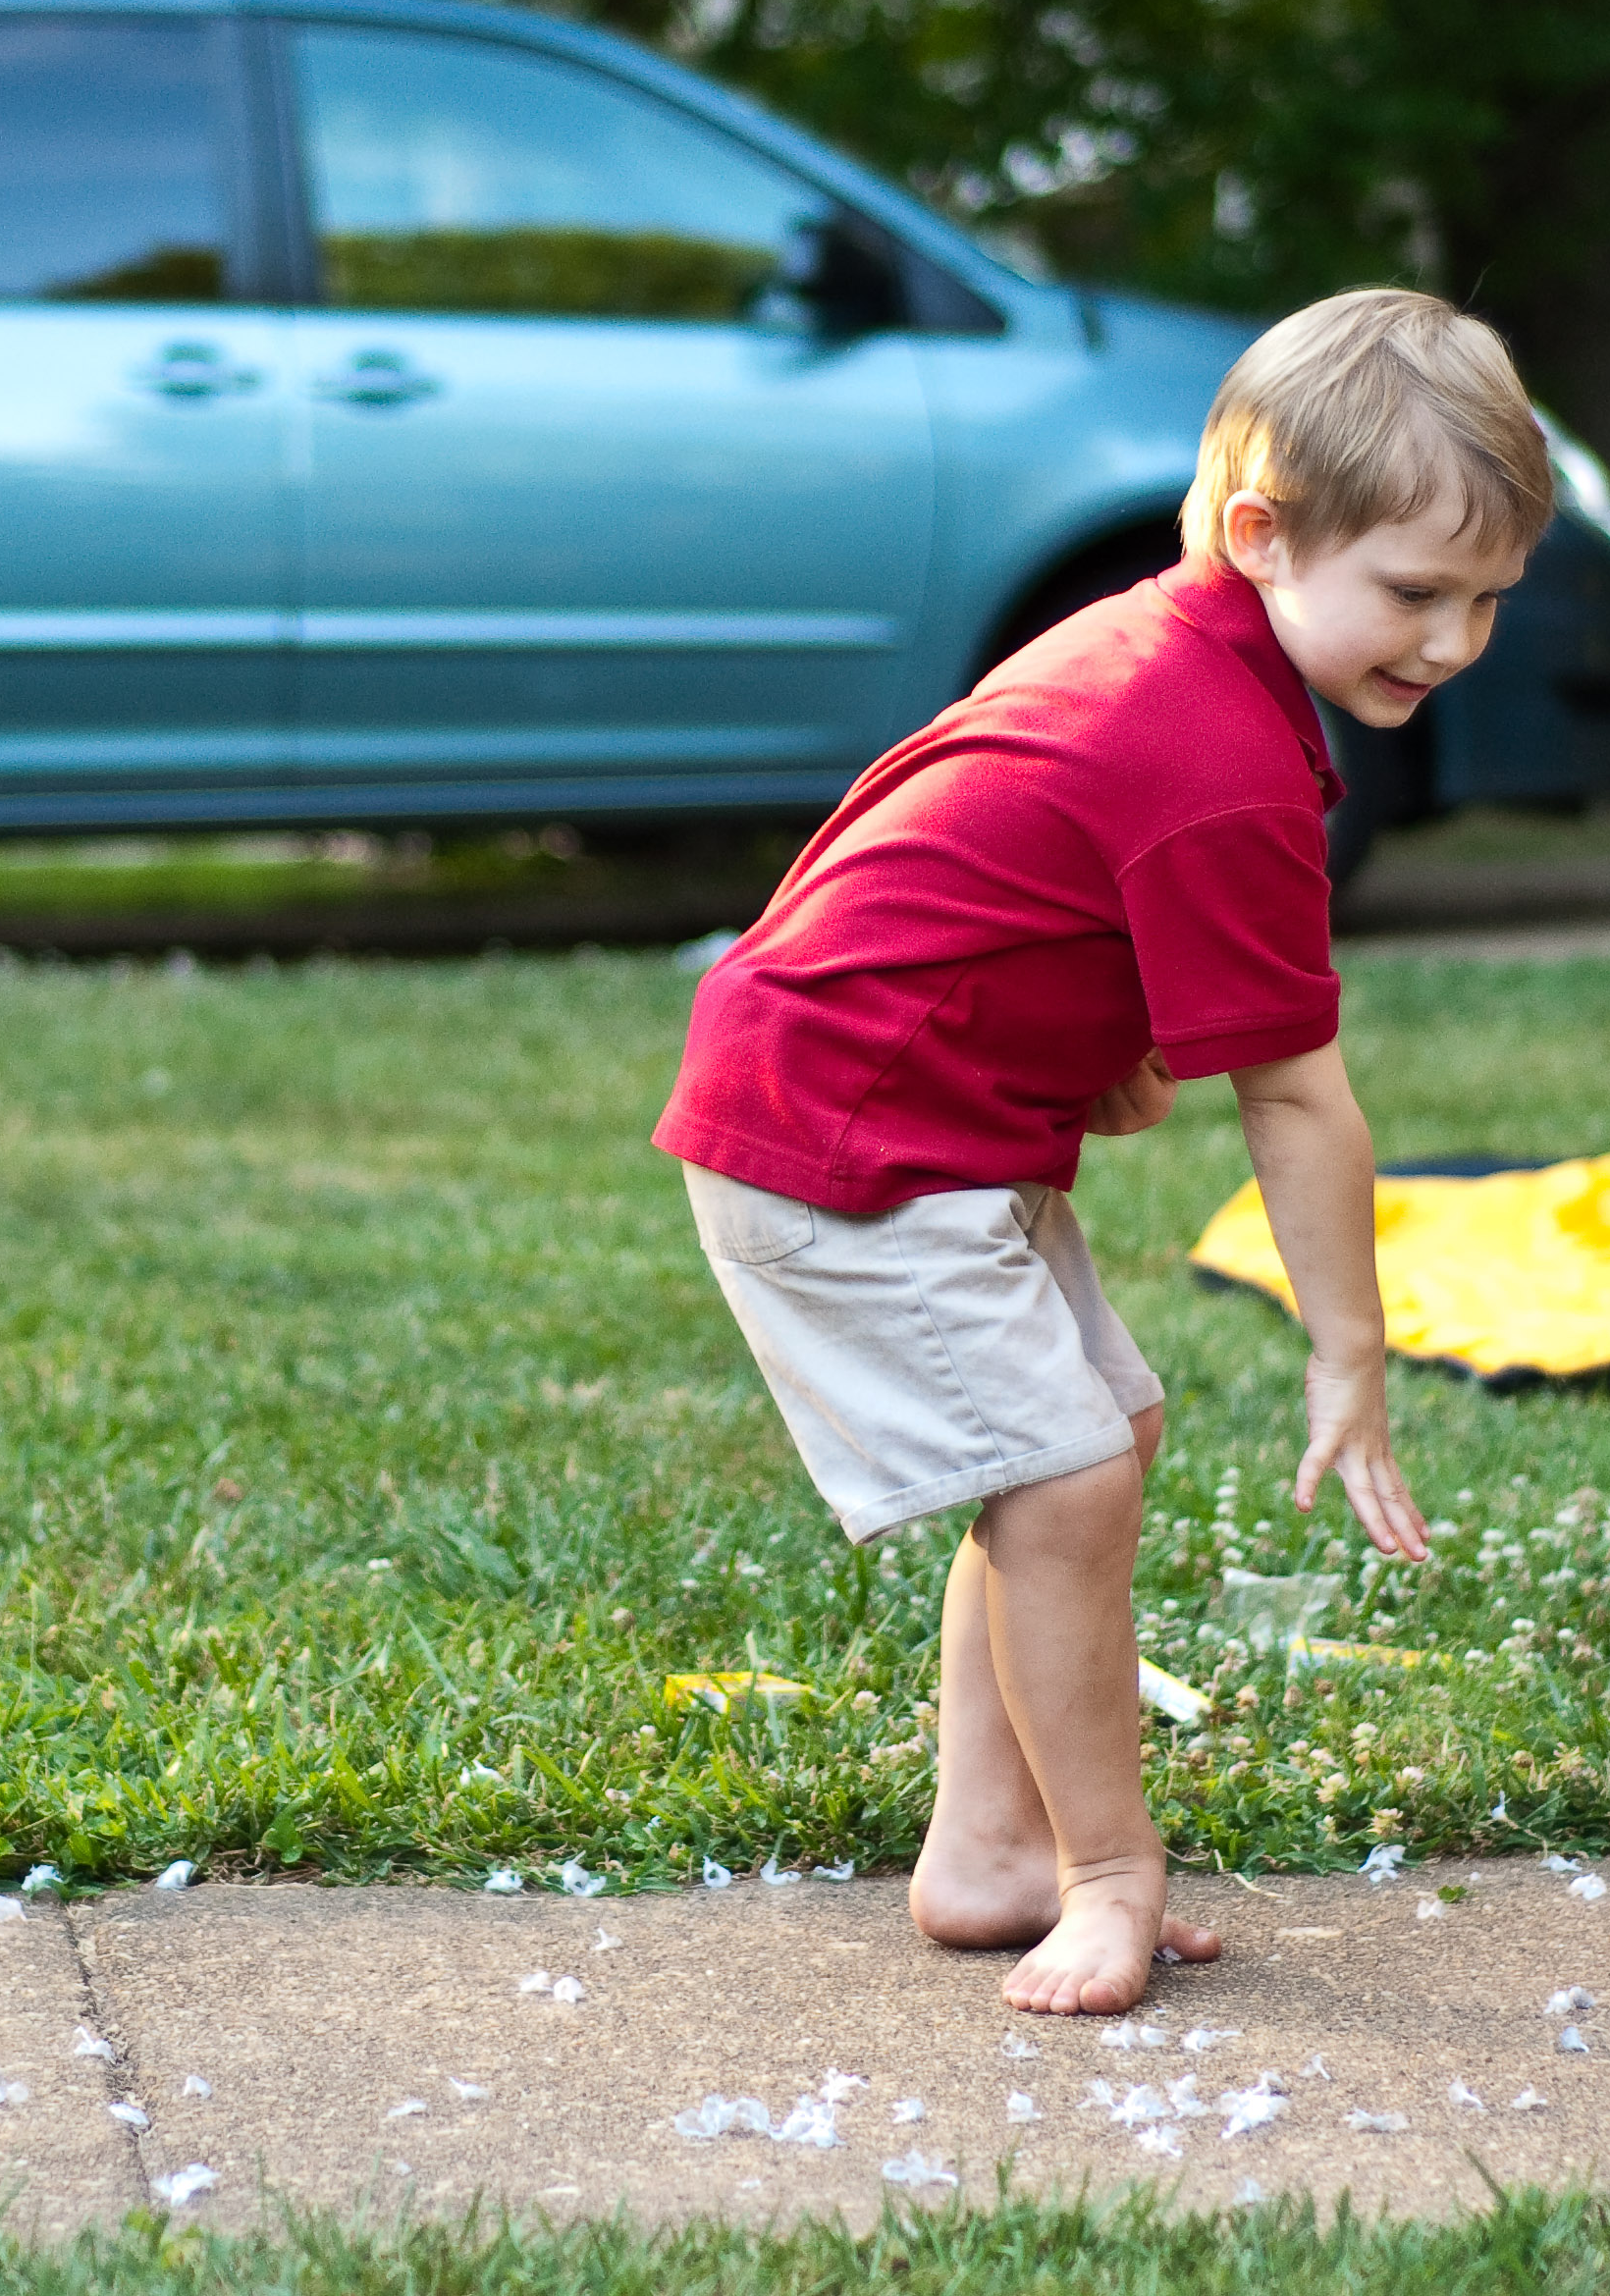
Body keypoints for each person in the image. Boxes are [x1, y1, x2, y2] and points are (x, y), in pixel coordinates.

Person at [653, 286, 1554, 2014]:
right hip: (844, 1136)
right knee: (1063, 1482)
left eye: (1489, 601)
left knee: (1092, 1438)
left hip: (913, 1109)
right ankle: (1102, 1871)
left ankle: (988, 1851)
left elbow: (1022, 887)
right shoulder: (1215, 746)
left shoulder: (1176, 648)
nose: (1451, 644)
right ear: (1262, 534)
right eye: (1418, 593)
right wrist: (1347, 1351)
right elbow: (1298, 1099)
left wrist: (1094, 1052)